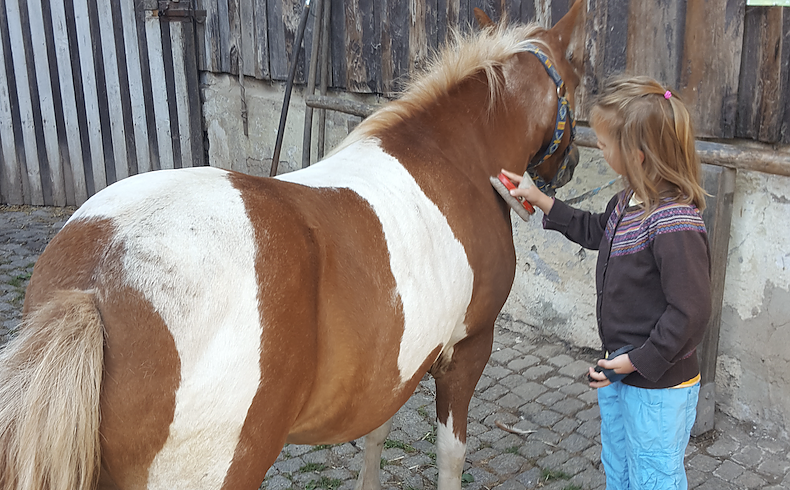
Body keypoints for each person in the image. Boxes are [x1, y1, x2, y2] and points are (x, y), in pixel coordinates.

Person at [504, 75, 712, 490]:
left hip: (658, 386)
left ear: (637, 156)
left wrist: (637, 361)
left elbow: (691, 312)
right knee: (618, 464)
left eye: (603, 143)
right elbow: (594, 229)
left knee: (653, 476)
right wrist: (541, 198)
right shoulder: (626, 202)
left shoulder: (674, 223)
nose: (596, 148)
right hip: (620, 368)